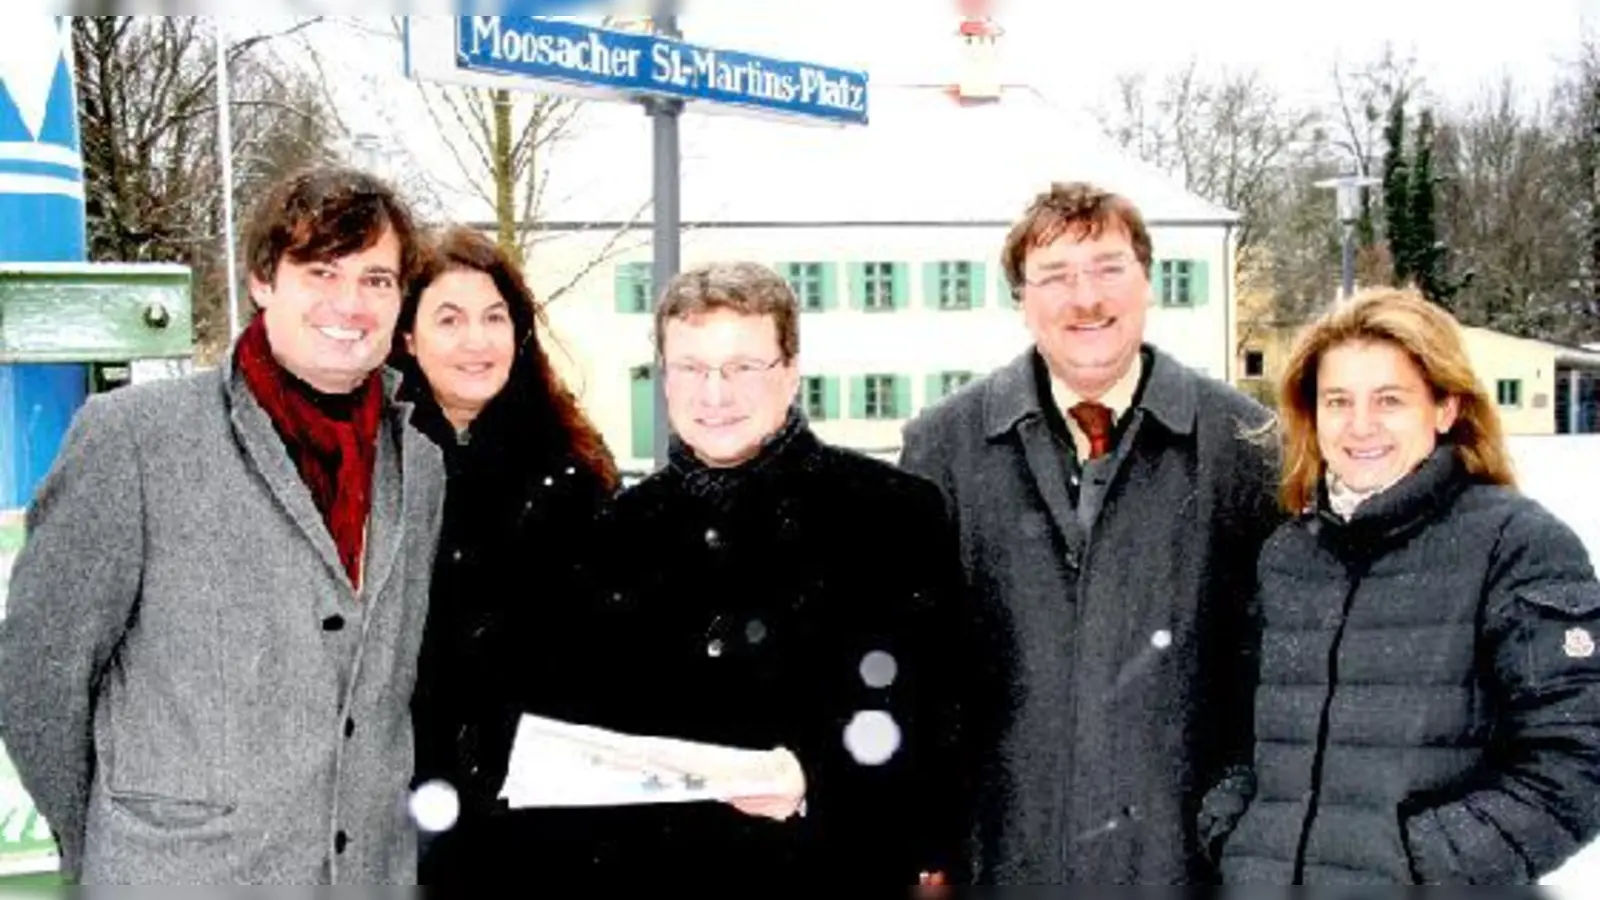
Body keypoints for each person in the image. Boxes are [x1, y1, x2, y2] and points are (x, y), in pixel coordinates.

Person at [0, 166, 446, 883]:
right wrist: (116, 849)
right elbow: (40, 673)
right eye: (321, 271)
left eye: (376, 280)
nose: (349, 303)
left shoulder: (417, 465)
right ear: (265, 280)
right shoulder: (137, 439)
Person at [898, 180, 1283, 883]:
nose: (1086, 299)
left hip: (1181, 863)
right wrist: (931, 846)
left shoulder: (1246, 448)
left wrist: (1240, 834)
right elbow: (917, 676)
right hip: (1007, 860)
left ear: (1147, 282)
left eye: (1108, 268)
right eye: (1055, 277)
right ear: (1023, 300)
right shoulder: (942, 449)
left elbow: (1279, 673)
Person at [588, 261, 975, 883]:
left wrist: (815, 779)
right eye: (691, 368)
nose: (715, 394)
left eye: (743, 367)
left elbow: (942, 727)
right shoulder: (616, 533)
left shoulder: (892, 516)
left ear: (791, 372)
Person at [1201, 287, 1600, 884]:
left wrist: (1424, 860)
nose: (1360, 426)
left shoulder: (1516, 547)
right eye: (1338, 400)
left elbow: (1577, 758)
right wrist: (1238, 825)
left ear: (1444, 408)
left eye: (1389, 400)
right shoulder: (1289, 554)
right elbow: (1243, 727)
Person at [391, 226, 620, 881]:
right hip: (399, 812)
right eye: (450, 318)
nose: (476, 340)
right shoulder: (371, 466)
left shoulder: (574, 471)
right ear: (408, 336)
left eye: (495, 317)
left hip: (539, 816)